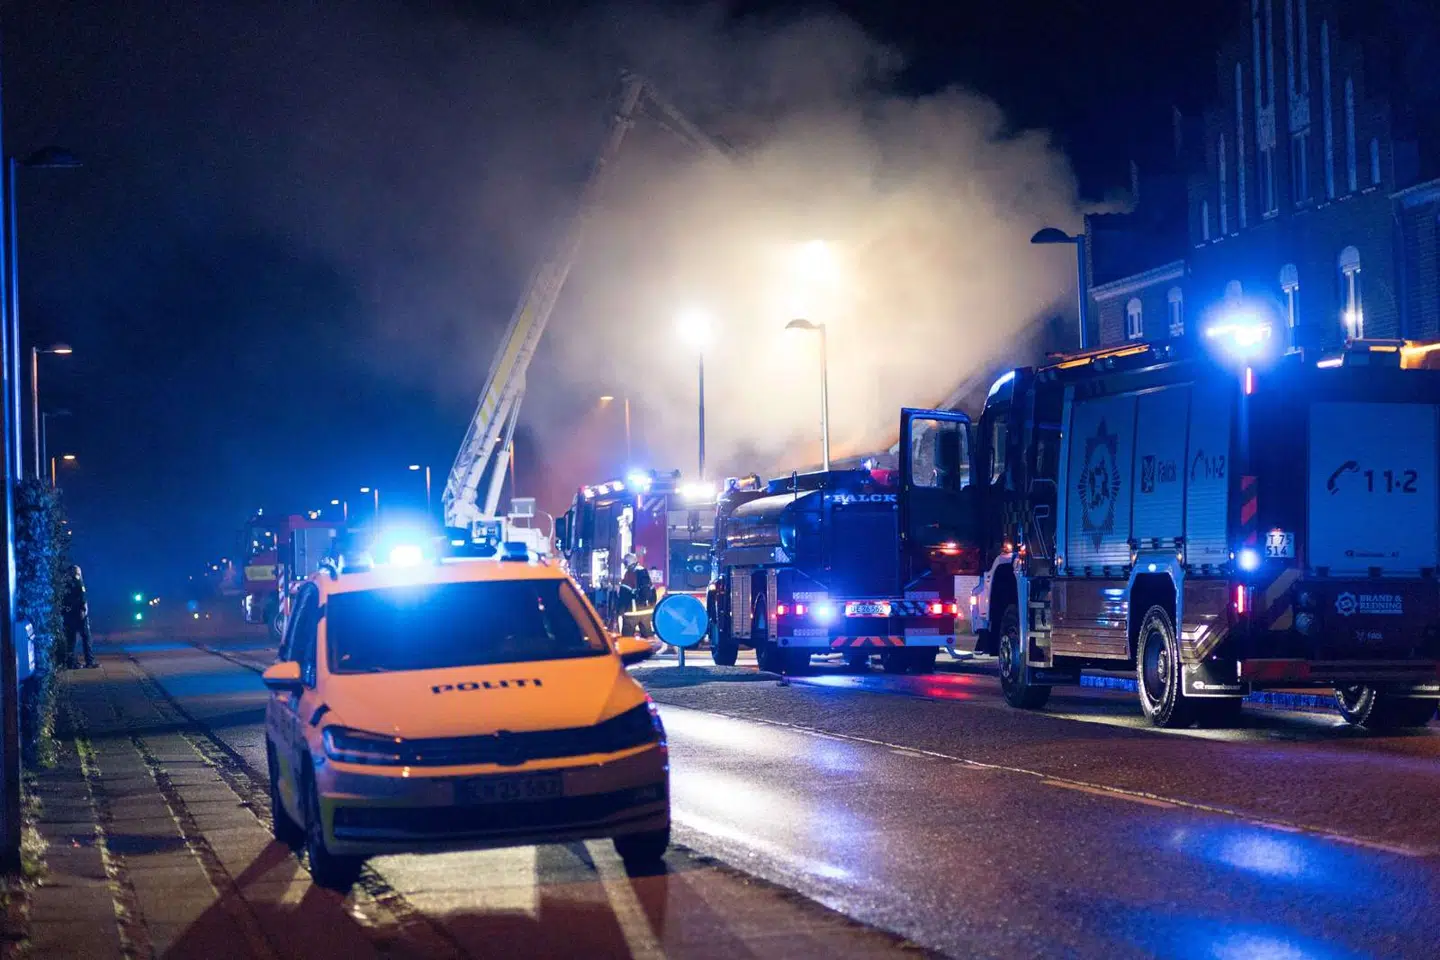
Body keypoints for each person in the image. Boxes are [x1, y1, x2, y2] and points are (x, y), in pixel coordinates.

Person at [62, 564, 97, 669]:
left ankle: (71, 663)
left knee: (71, 639)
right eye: (78, 571)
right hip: (79, 613)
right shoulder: (77, 581)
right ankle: (89, 661)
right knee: (86, 637)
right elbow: (82, 596)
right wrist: (83, 609)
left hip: (69, 614)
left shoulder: (66, 584)